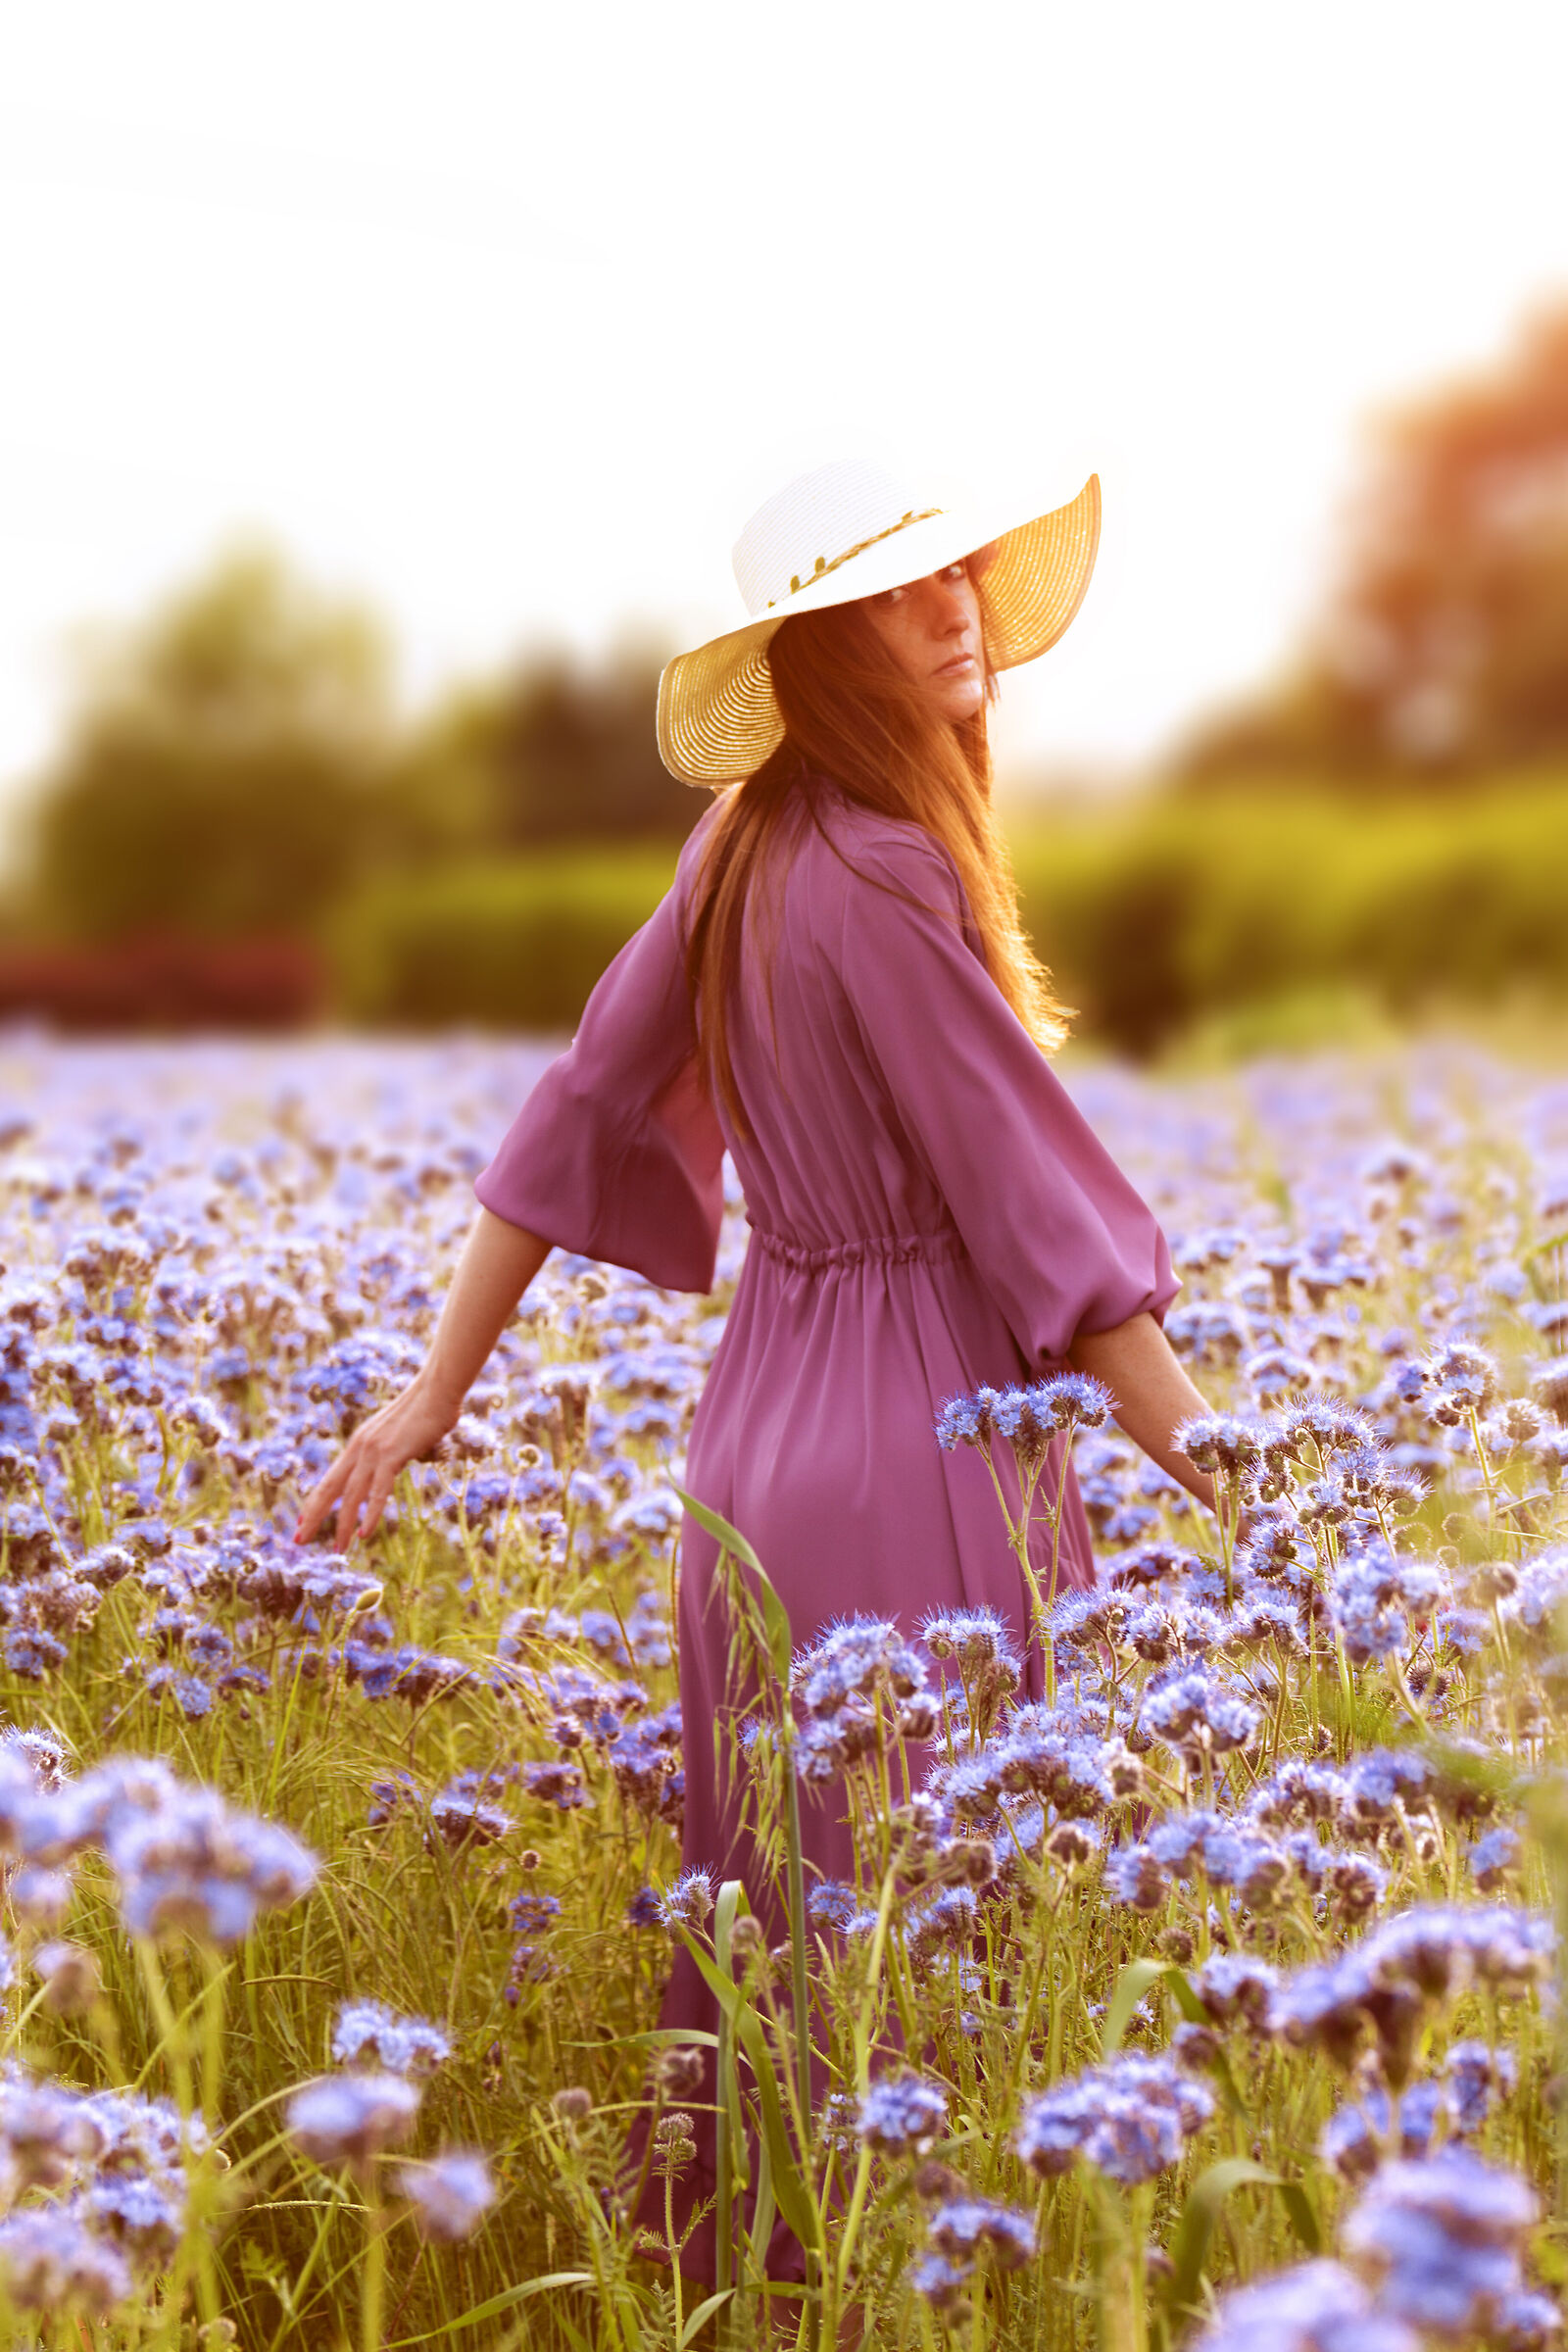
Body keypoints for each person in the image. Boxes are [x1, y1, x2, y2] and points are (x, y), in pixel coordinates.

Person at [294, 458, 1226, 2304]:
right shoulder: (881, 871)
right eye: (897, 592)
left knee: (784, 1945)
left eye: (956, 571)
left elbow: (570, 1110)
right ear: (823, 646)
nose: (953, 605)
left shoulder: (738, 847)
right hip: (921, 1446)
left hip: (750, 1464)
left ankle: (753, 2312)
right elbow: (1041, 1221)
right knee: (943, 1955)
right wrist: (1259, 1488)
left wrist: (432, 1396)